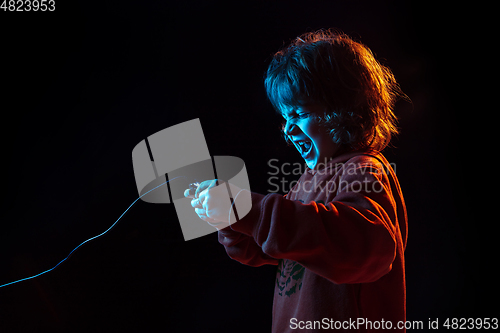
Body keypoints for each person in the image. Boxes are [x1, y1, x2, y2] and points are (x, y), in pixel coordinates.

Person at [187, 29, 408, 332]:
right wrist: (228, 220)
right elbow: (270, 246)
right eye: (285, 117)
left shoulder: (364, 169)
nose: (289, 129)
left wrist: (246, 209)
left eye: (300, 113)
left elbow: (367, 248)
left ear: (344, 111)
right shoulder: (307, 182)